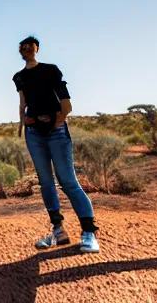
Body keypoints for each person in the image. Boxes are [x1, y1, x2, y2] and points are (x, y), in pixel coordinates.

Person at [13, 36, 100, 253]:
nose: (27, 50)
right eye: (23, 47)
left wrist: (57, 122)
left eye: (30, 47)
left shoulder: (51, 70)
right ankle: (58, 230)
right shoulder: (19, 77)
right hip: (33, 133)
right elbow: (23, 103)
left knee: (68, 181)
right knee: (45, 182)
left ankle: (89, 232)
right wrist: (22, 124)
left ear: (37, 49)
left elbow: (66, 103)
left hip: (56, 131)